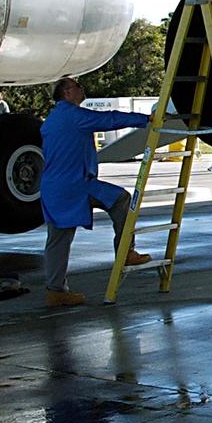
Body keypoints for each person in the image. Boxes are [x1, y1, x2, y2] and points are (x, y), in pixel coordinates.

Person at [41, 77, 154, 307]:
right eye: (77, 86)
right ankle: (126, 252)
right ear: (67, 93)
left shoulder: (51, 120)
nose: (82, 90)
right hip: (76, 185)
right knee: (121, 199)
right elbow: (108, 119)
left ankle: (55, 291)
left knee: (58, 240)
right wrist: (145, 119)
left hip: (54, 188)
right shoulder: (74, 116)